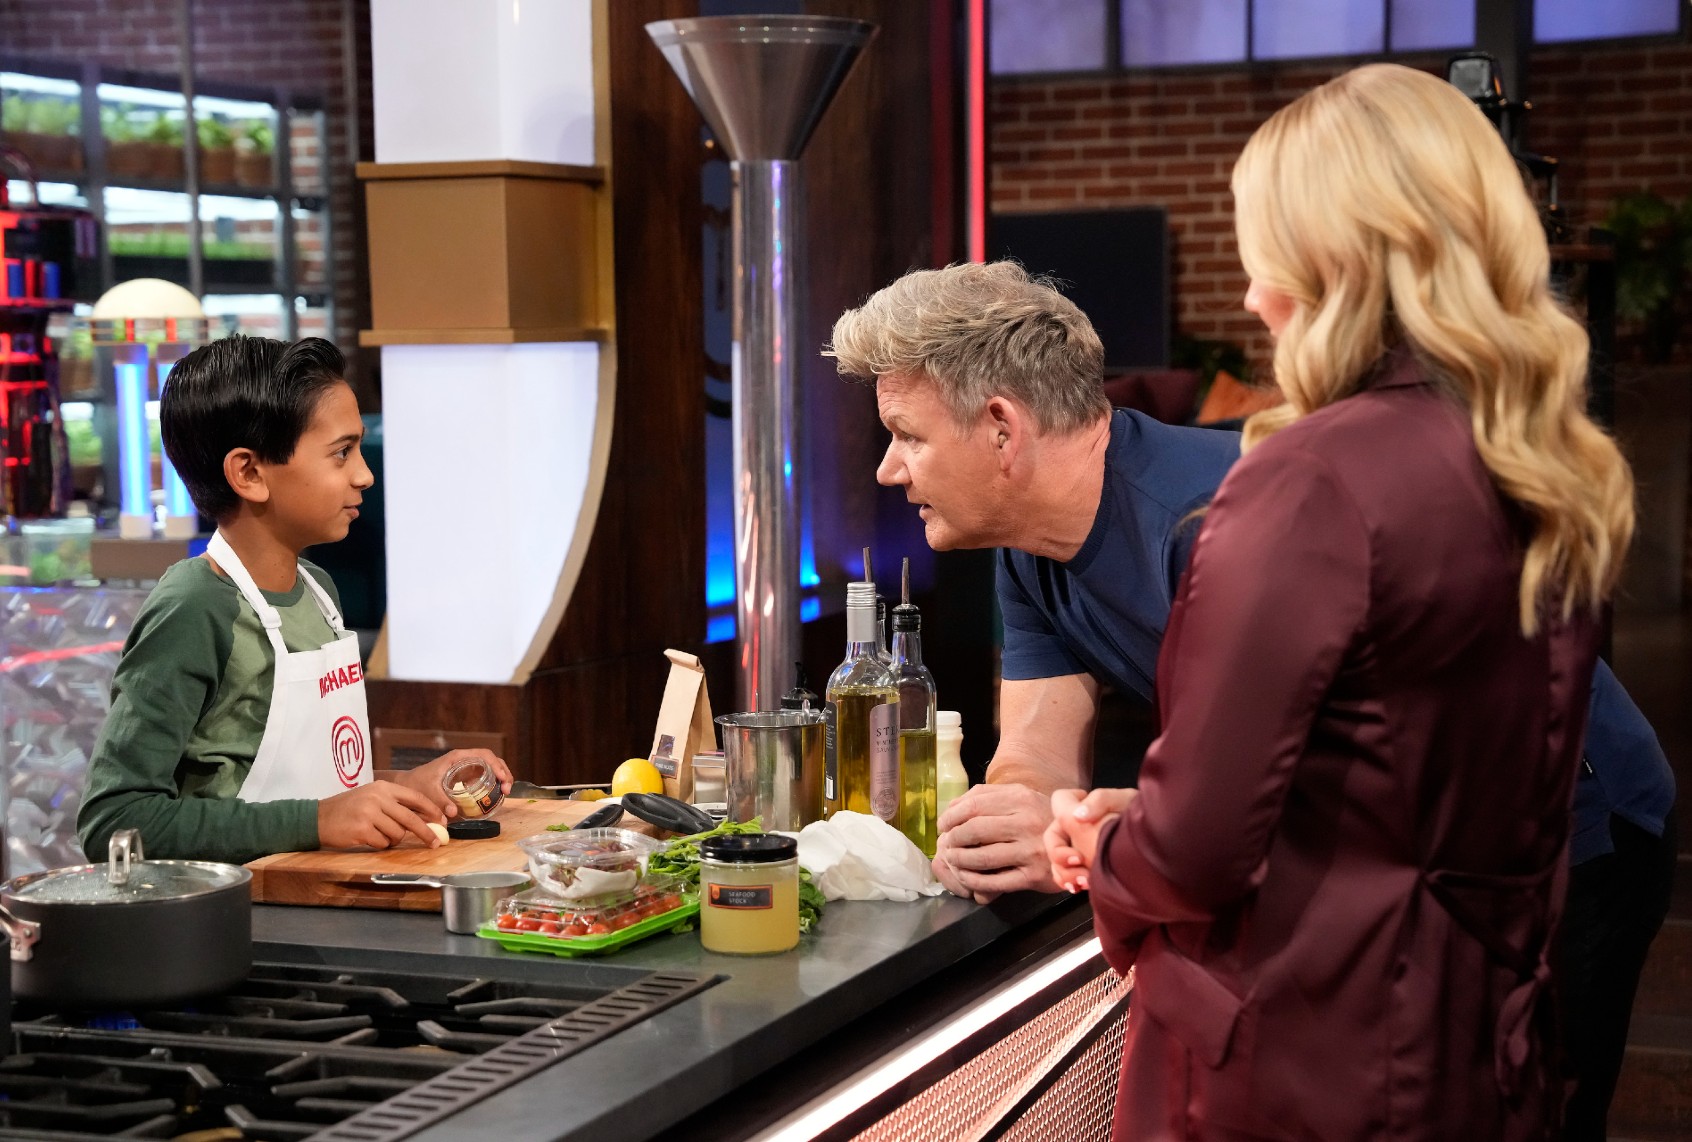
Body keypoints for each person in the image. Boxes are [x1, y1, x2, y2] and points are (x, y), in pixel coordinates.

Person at [830, 266, 1671, 1135]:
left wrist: (1102, 839)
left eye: (906, 435)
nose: (891, 469)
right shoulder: (1025, 544)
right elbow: (1040, 750)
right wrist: (1016, 817)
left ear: (1002, 427)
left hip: (1566, 828)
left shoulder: (1213, 523)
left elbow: (1300, 807)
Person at [1039, 63, 1634, 1138]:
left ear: (1327, 260)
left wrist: (1112, 851)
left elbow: (1199, 849)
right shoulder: (1545, 464)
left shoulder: (1311, 477)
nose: (1253, 298)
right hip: (1477, 1047)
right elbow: (1407, 781)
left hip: (1310, 1062)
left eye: (1262, 254)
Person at [78, 335, 511, 865]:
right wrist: (319, 821)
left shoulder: (318, 591)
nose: (364, 474)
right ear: (250, 473)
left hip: (321, 906)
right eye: (341, 453)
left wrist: (403, 787)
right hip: (238, 928)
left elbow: (310, 785)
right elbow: (115, 820)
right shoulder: (195, 607)